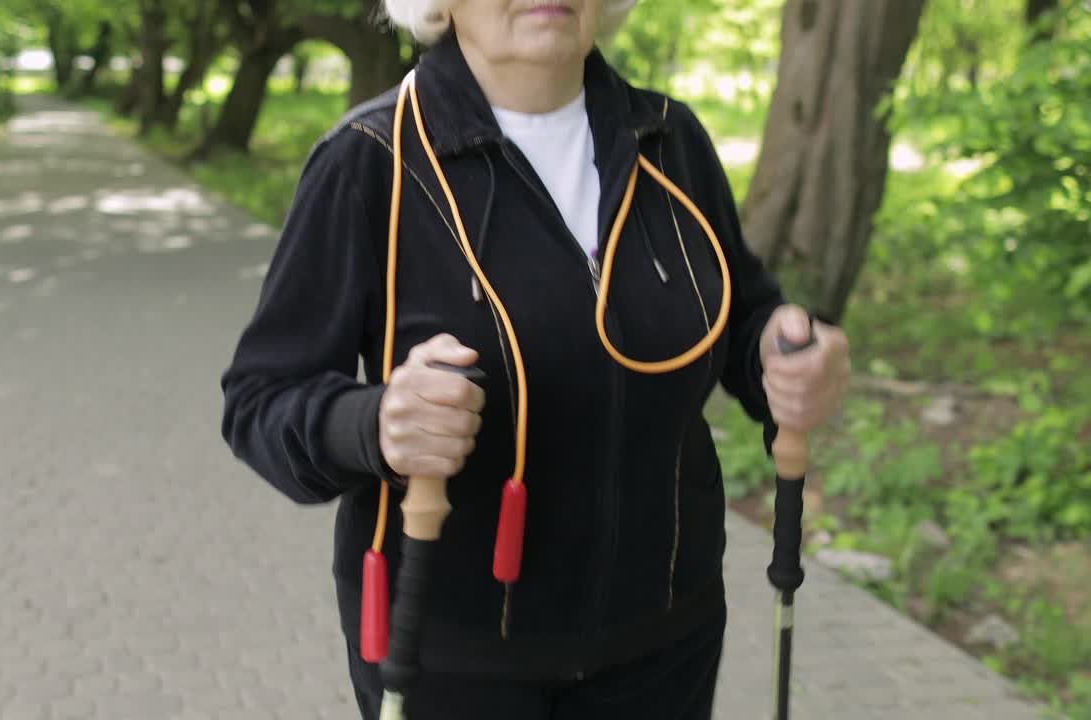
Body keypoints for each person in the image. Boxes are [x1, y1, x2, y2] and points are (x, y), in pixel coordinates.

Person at [219, 0, 851, 716]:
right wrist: (375, 425)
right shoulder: (370, 159)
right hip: (453, 660)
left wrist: (784, 355)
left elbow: (740, 319)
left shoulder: (670, 142)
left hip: (666, 645)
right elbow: (260, 400)